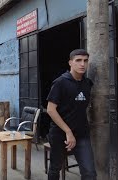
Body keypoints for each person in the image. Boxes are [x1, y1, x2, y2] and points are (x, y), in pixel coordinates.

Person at [46, 49, 96, 180]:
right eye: (78, 60)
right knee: (55, 168)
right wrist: (68, 131)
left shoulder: (87, 83)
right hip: (60, 134)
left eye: (85, 61)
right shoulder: (60, 83)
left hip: (81, 134)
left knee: (89, 172)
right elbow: (51, 109)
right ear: (70, 63)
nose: (82, 64)